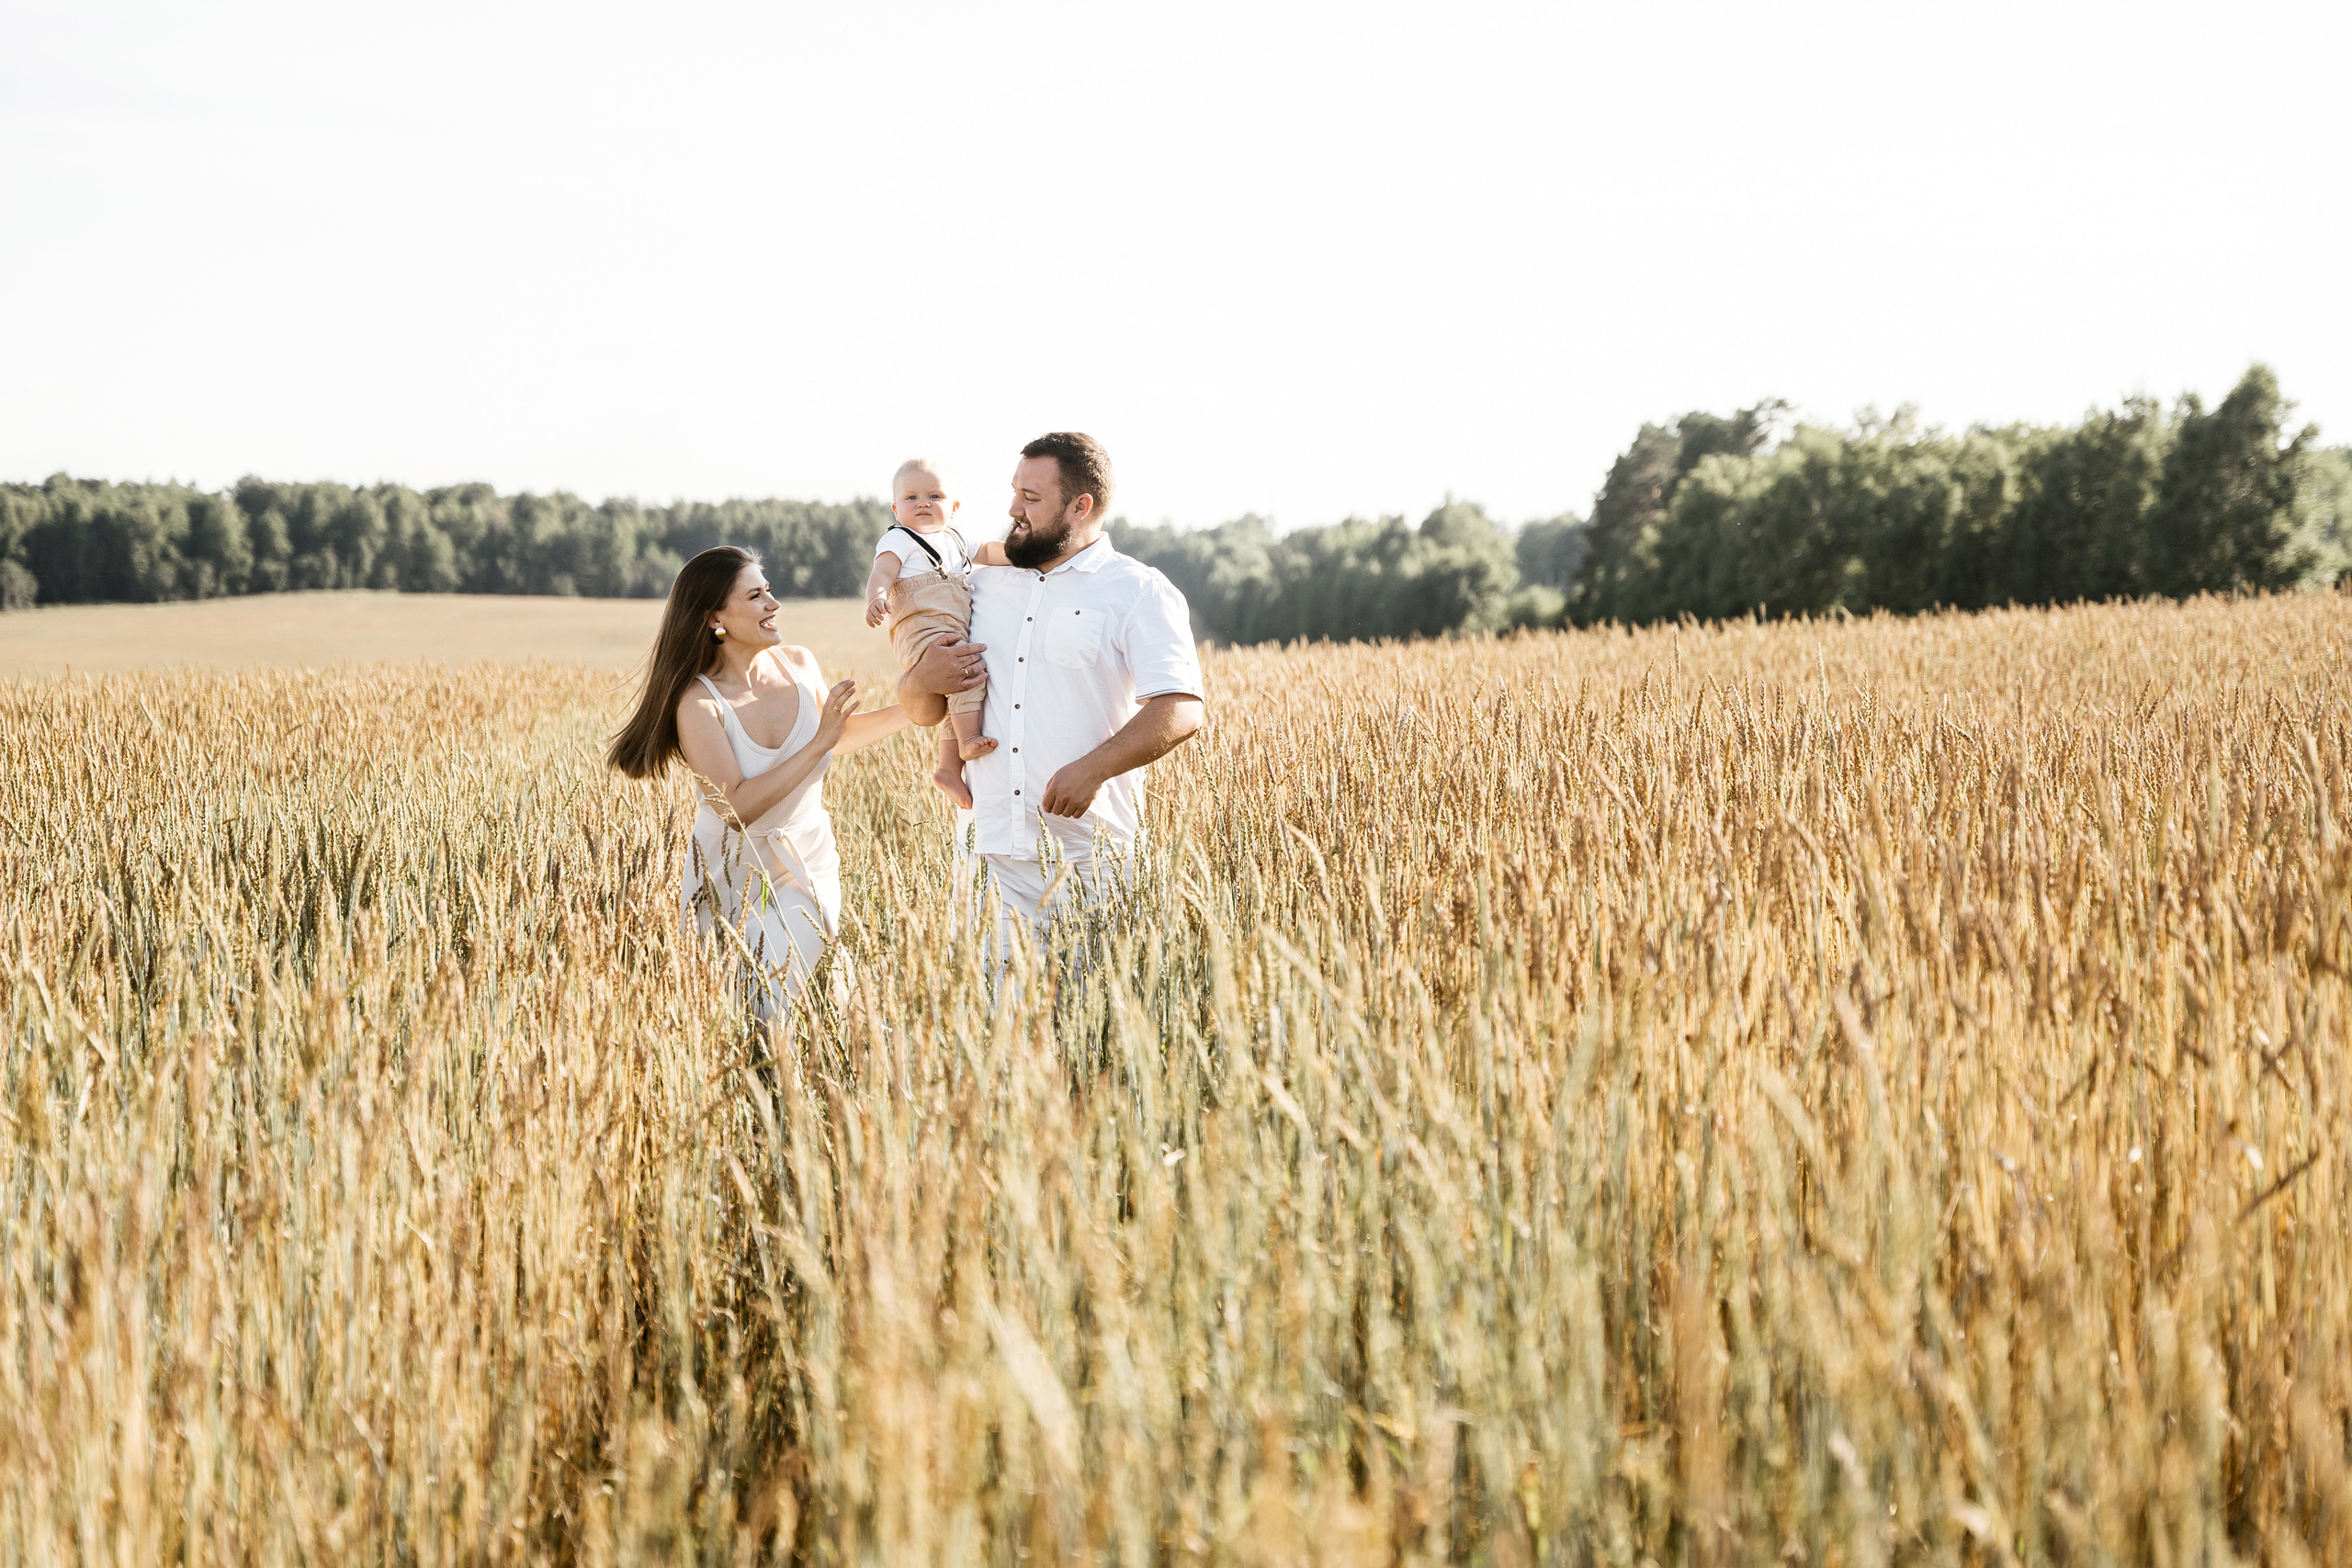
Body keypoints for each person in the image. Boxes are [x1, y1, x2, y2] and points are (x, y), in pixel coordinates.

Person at [898, 432, 1204, 944]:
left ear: (1080, 507)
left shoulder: (1138, 589)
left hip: (1091, 858)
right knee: (986, 998)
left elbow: (1181, 707)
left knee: (1096, 996)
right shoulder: (976, 583)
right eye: (1014, 492)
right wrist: (922, 680)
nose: (1013, 509)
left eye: (1031, 498)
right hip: (987, 858)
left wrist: (1093, 770)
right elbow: (924, 709)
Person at [608, 545, 910, 1015]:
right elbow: (735, 808)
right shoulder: (698, 704)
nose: (774, 604)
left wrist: (918, 708)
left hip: (806, 862)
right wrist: (818, 743)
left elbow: (837, 736)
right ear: (715, 618)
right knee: (735, 1014)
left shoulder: (800, 664)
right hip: (729, 877)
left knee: (782, 1003)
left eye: (768, 590)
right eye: (755, 596)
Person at [861, 457, 1013, 807]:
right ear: (896, 508)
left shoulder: (956, 539)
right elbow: (881, 573)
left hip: (949, 627)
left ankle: (947, 769)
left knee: (955, 690)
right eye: (911, 498)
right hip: (921, 627)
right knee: (966, 671)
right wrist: (877, 598)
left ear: (954, 507)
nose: (923, 504)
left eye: (935, 496)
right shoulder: (900, 538)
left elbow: (989, 551)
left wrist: (1020, 555)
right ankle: (968, 739)